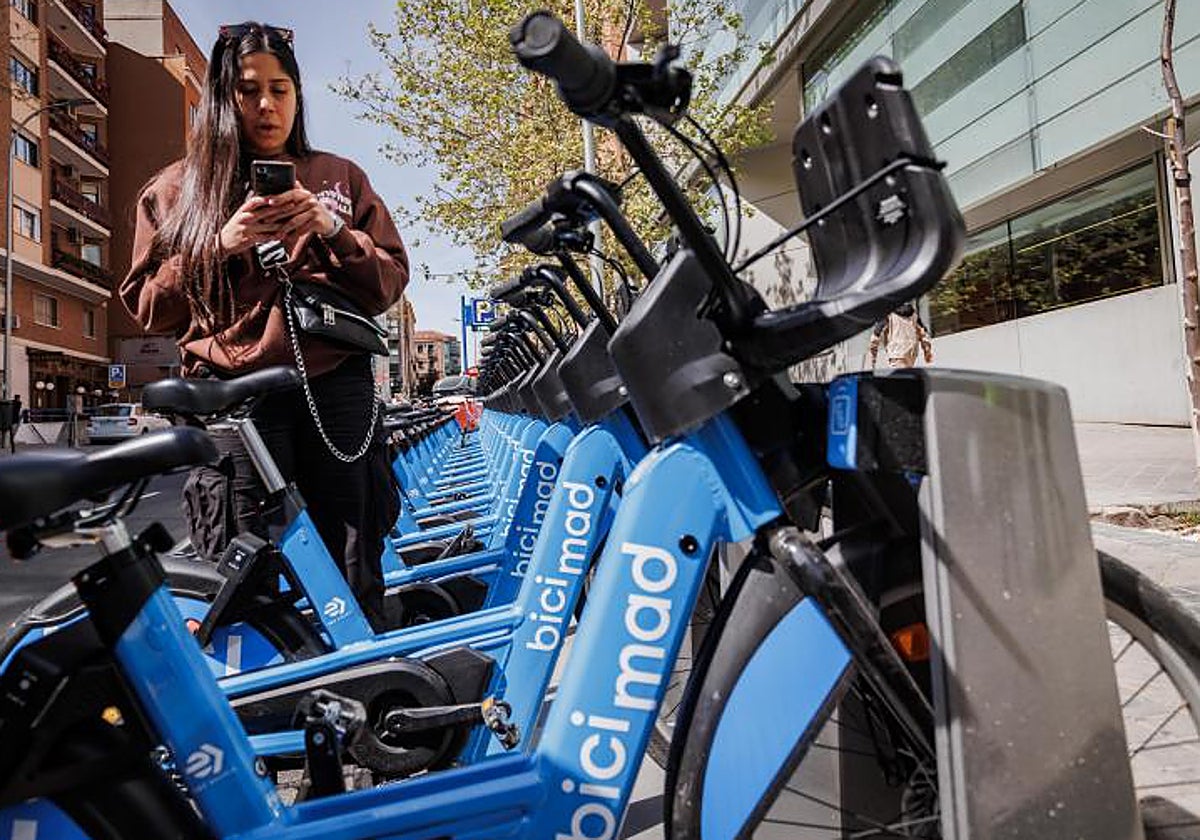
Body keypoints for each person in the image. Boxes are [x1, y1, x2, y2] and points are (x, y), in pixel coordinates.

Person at [121, 22, 407, 630]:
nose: (267, 105)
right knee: (240, 560)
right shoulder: (176, 191)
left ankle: (372, 689)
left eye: (280, 89)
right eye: (249, 91)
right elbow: (147, 305)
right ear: (223, 99)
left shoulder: (338, 177)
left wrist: (331, 231)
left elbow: (388, 283)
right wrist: (220, 244)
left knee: (354, 555)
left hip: (336, 387)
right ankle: (256, 705)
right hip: (234, 398)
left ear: (299, 95)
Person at [867, 301, 933, 369]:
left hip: (896, 352)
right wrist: (927, 351)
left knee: (898, 376)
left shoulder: (888, 314)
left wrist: (872, 358)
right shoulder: (913, 314)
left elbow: (876, 336)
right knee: (906, 375)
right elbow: (923, 333)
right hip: (911, 354)